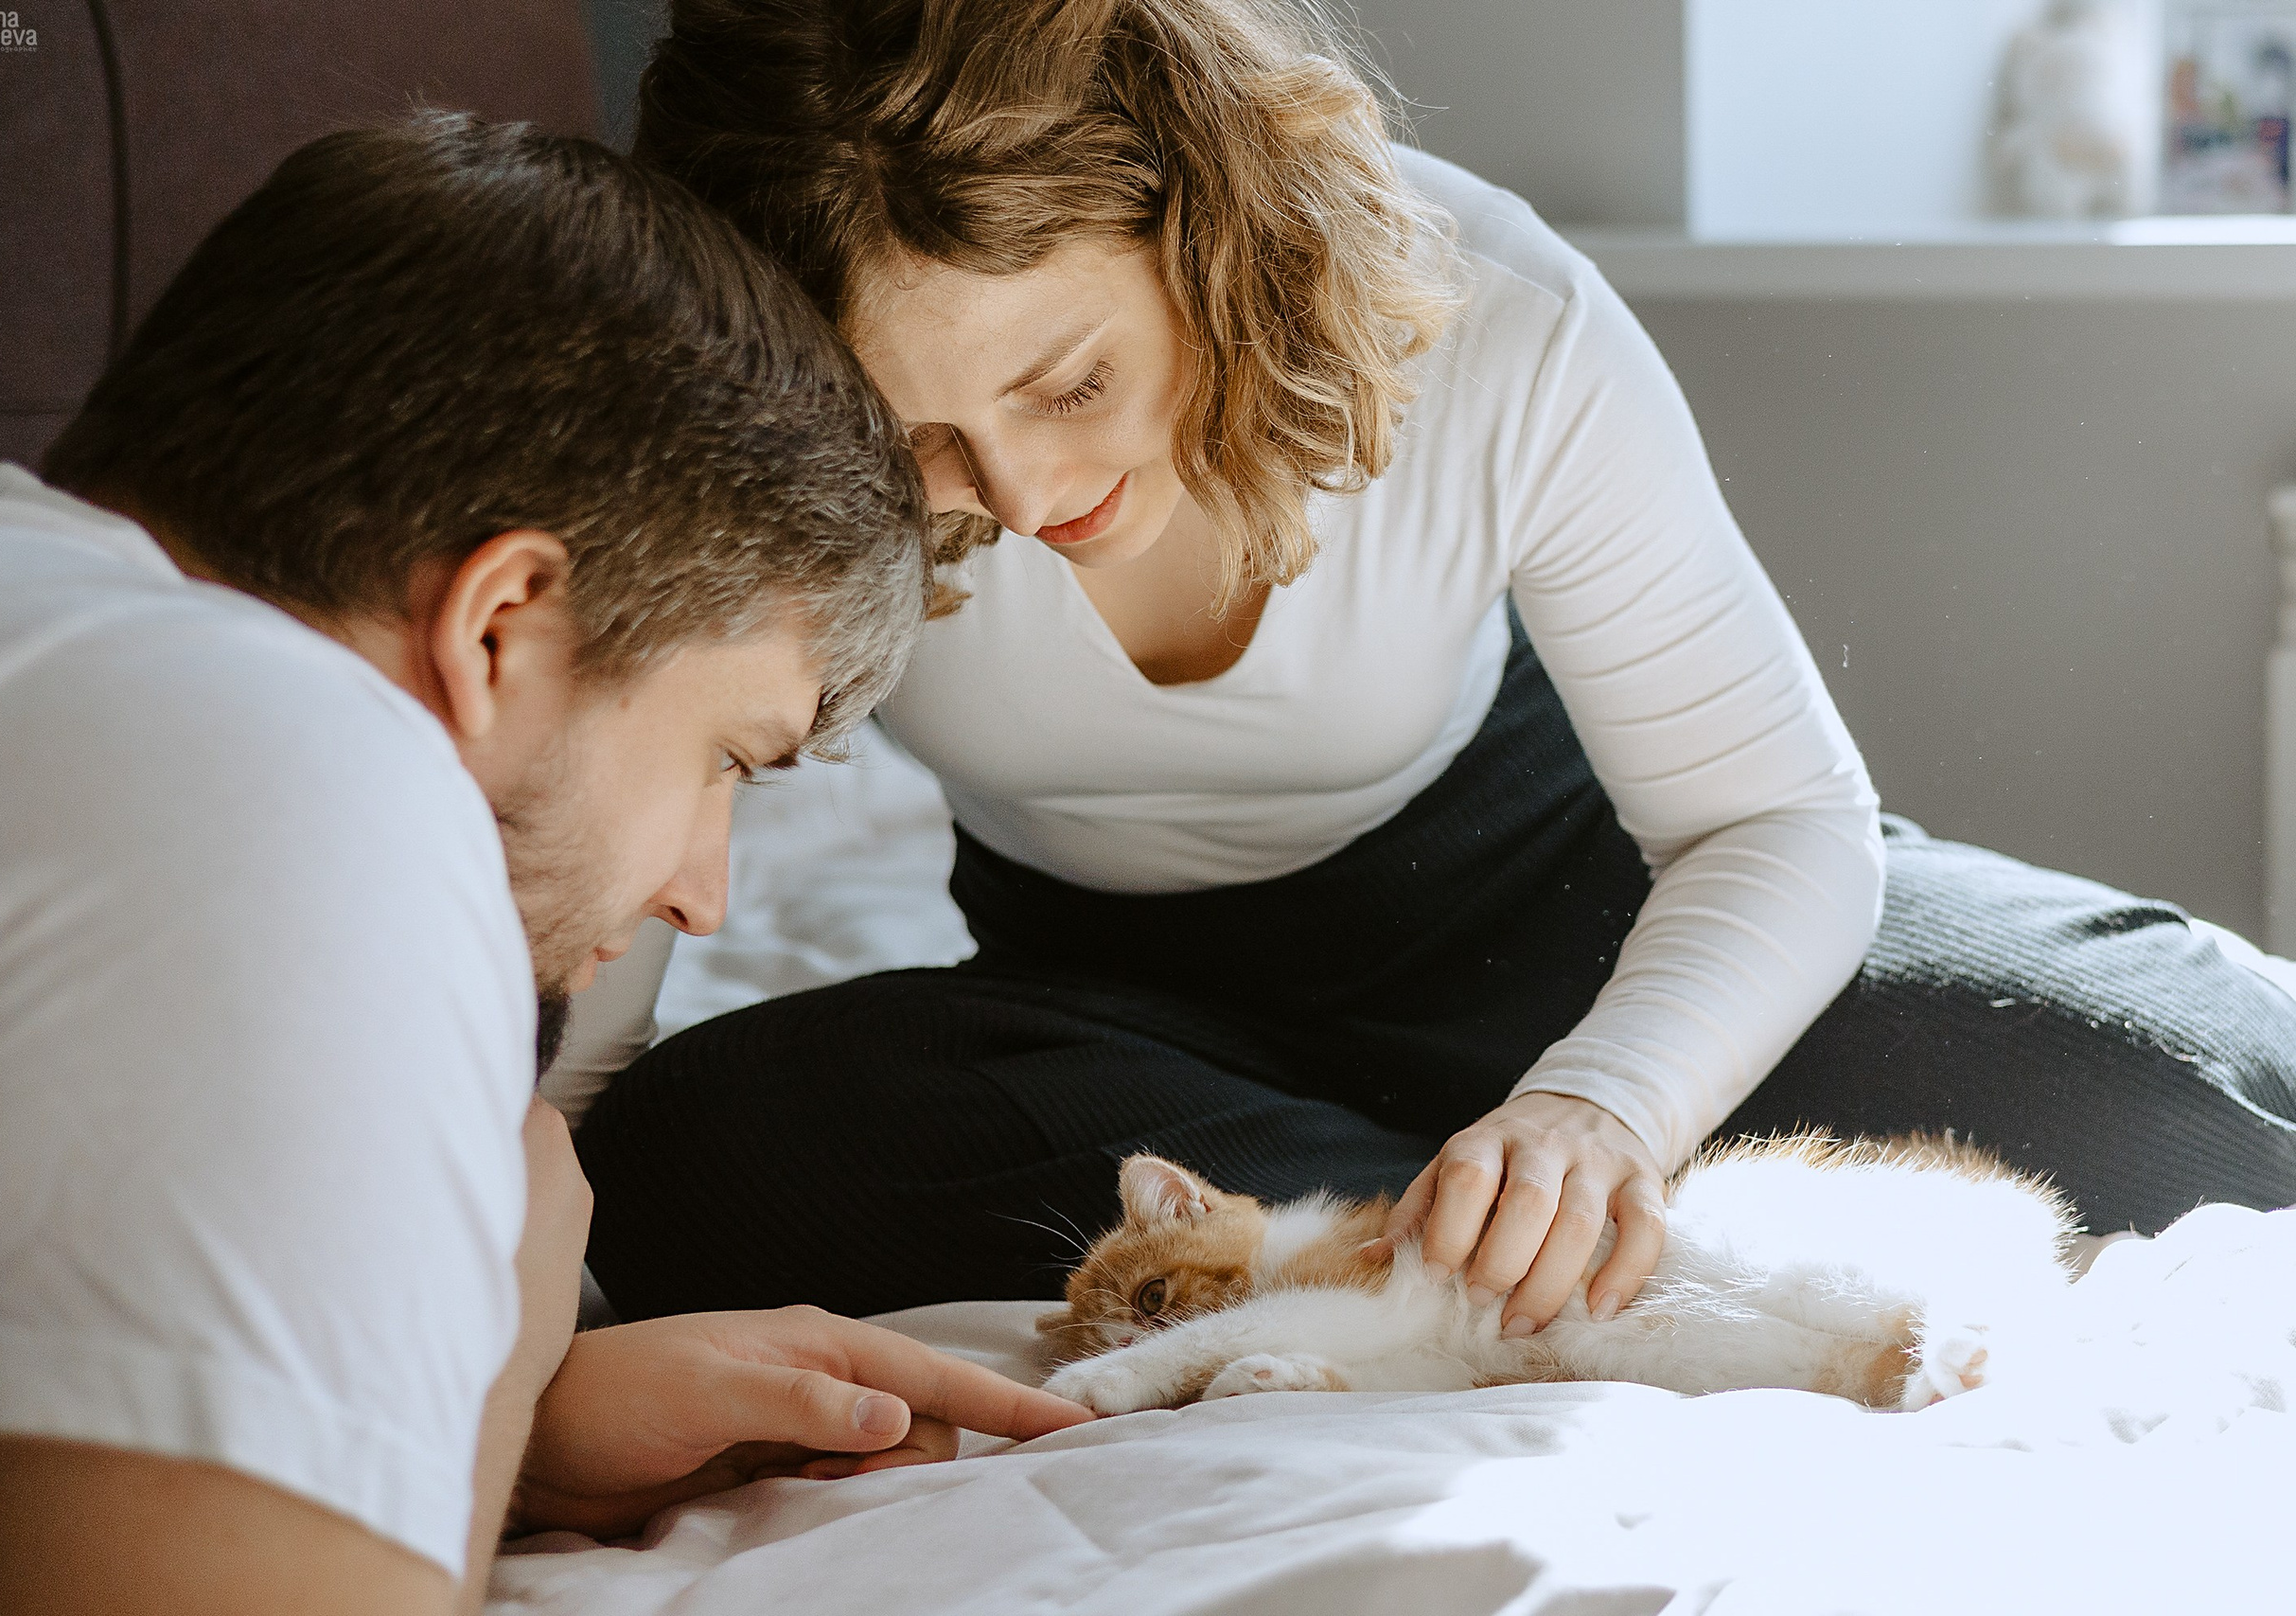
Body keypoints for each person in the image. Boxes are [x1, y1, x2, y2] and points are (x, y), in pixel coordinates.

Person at [574, 0, 2296, 1333]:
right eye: (919, 442)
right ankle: (1442, 1224)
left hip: (1576, 917)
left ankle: (1482, 1213)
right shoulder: (763, 439)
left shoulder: (1492, 311)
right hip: (1124, 1021)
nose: (1019, 497)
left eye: (1073, 383)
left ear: (1201, 219)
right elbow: (608, 917)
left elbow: (1775, 822)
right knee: (686, 1161)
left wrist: (1603, 1109)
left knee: (2200, 1088)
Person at [0, 112, 1088, 1616]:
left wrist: (496, 1451)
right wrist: (502, 1355)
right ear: (500, 626)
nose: (703, 893)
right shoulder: (295, 787)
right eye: (728, 758)